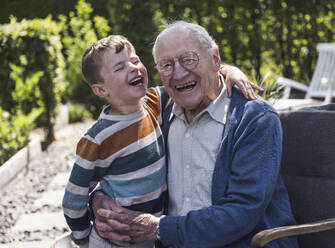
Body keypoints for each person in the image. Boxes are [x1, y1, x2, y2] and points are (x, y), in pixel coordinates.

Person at [91, 21, 299, 248]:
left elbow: (243, 210)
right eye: (166, 65)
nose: (178, 74)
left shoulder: (253, 119)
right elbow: (121, 165)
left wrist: (159, 229)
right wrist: (99, 198)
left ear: (216, 59)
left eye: (189, 59)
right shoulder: (159, 112)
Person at [62, 34, 259, 248]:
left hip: (150, 235)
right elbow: (74, 198)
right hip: (114, 238)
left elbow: (194, 78)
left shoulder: (153, 103)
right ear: (101, 90)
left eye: (135, 60)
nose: (133, 67)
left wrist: (229, 70)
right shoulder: (97, 139)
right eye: (120, 67)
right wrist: (83, 238)